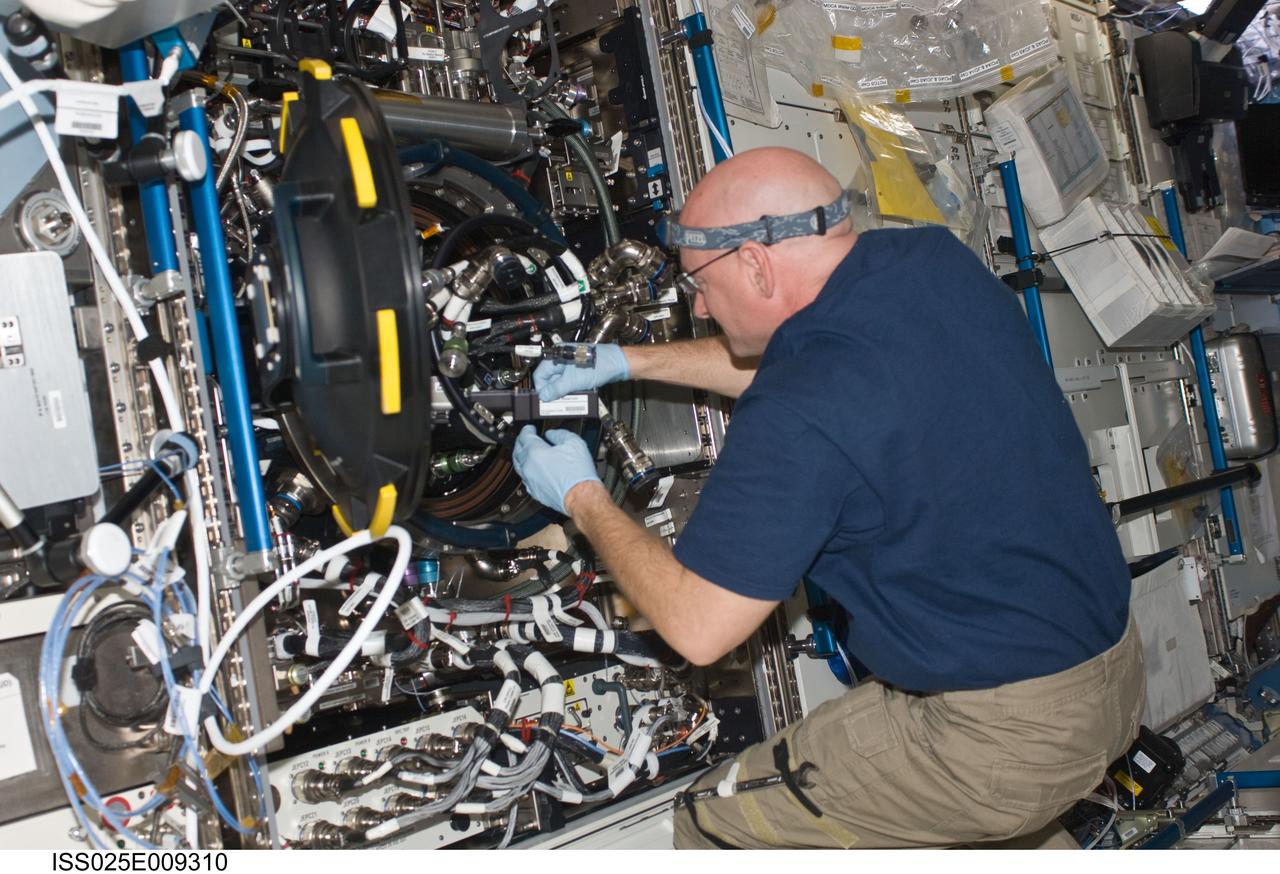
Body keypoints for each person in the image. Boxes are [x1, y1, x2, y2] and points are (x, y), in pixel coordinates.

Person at [510, 147, 1144, 849]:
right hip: (1108, 674)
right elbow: (816, 371)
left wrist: (581, 494)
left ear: (754, 262)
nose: (697, 305)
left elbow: (698, 626)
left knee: (710, 821)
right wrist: (629, 362)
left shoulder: (800, 414)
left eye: (698, 284)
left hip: (1001, 740)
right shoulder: (933, 264)